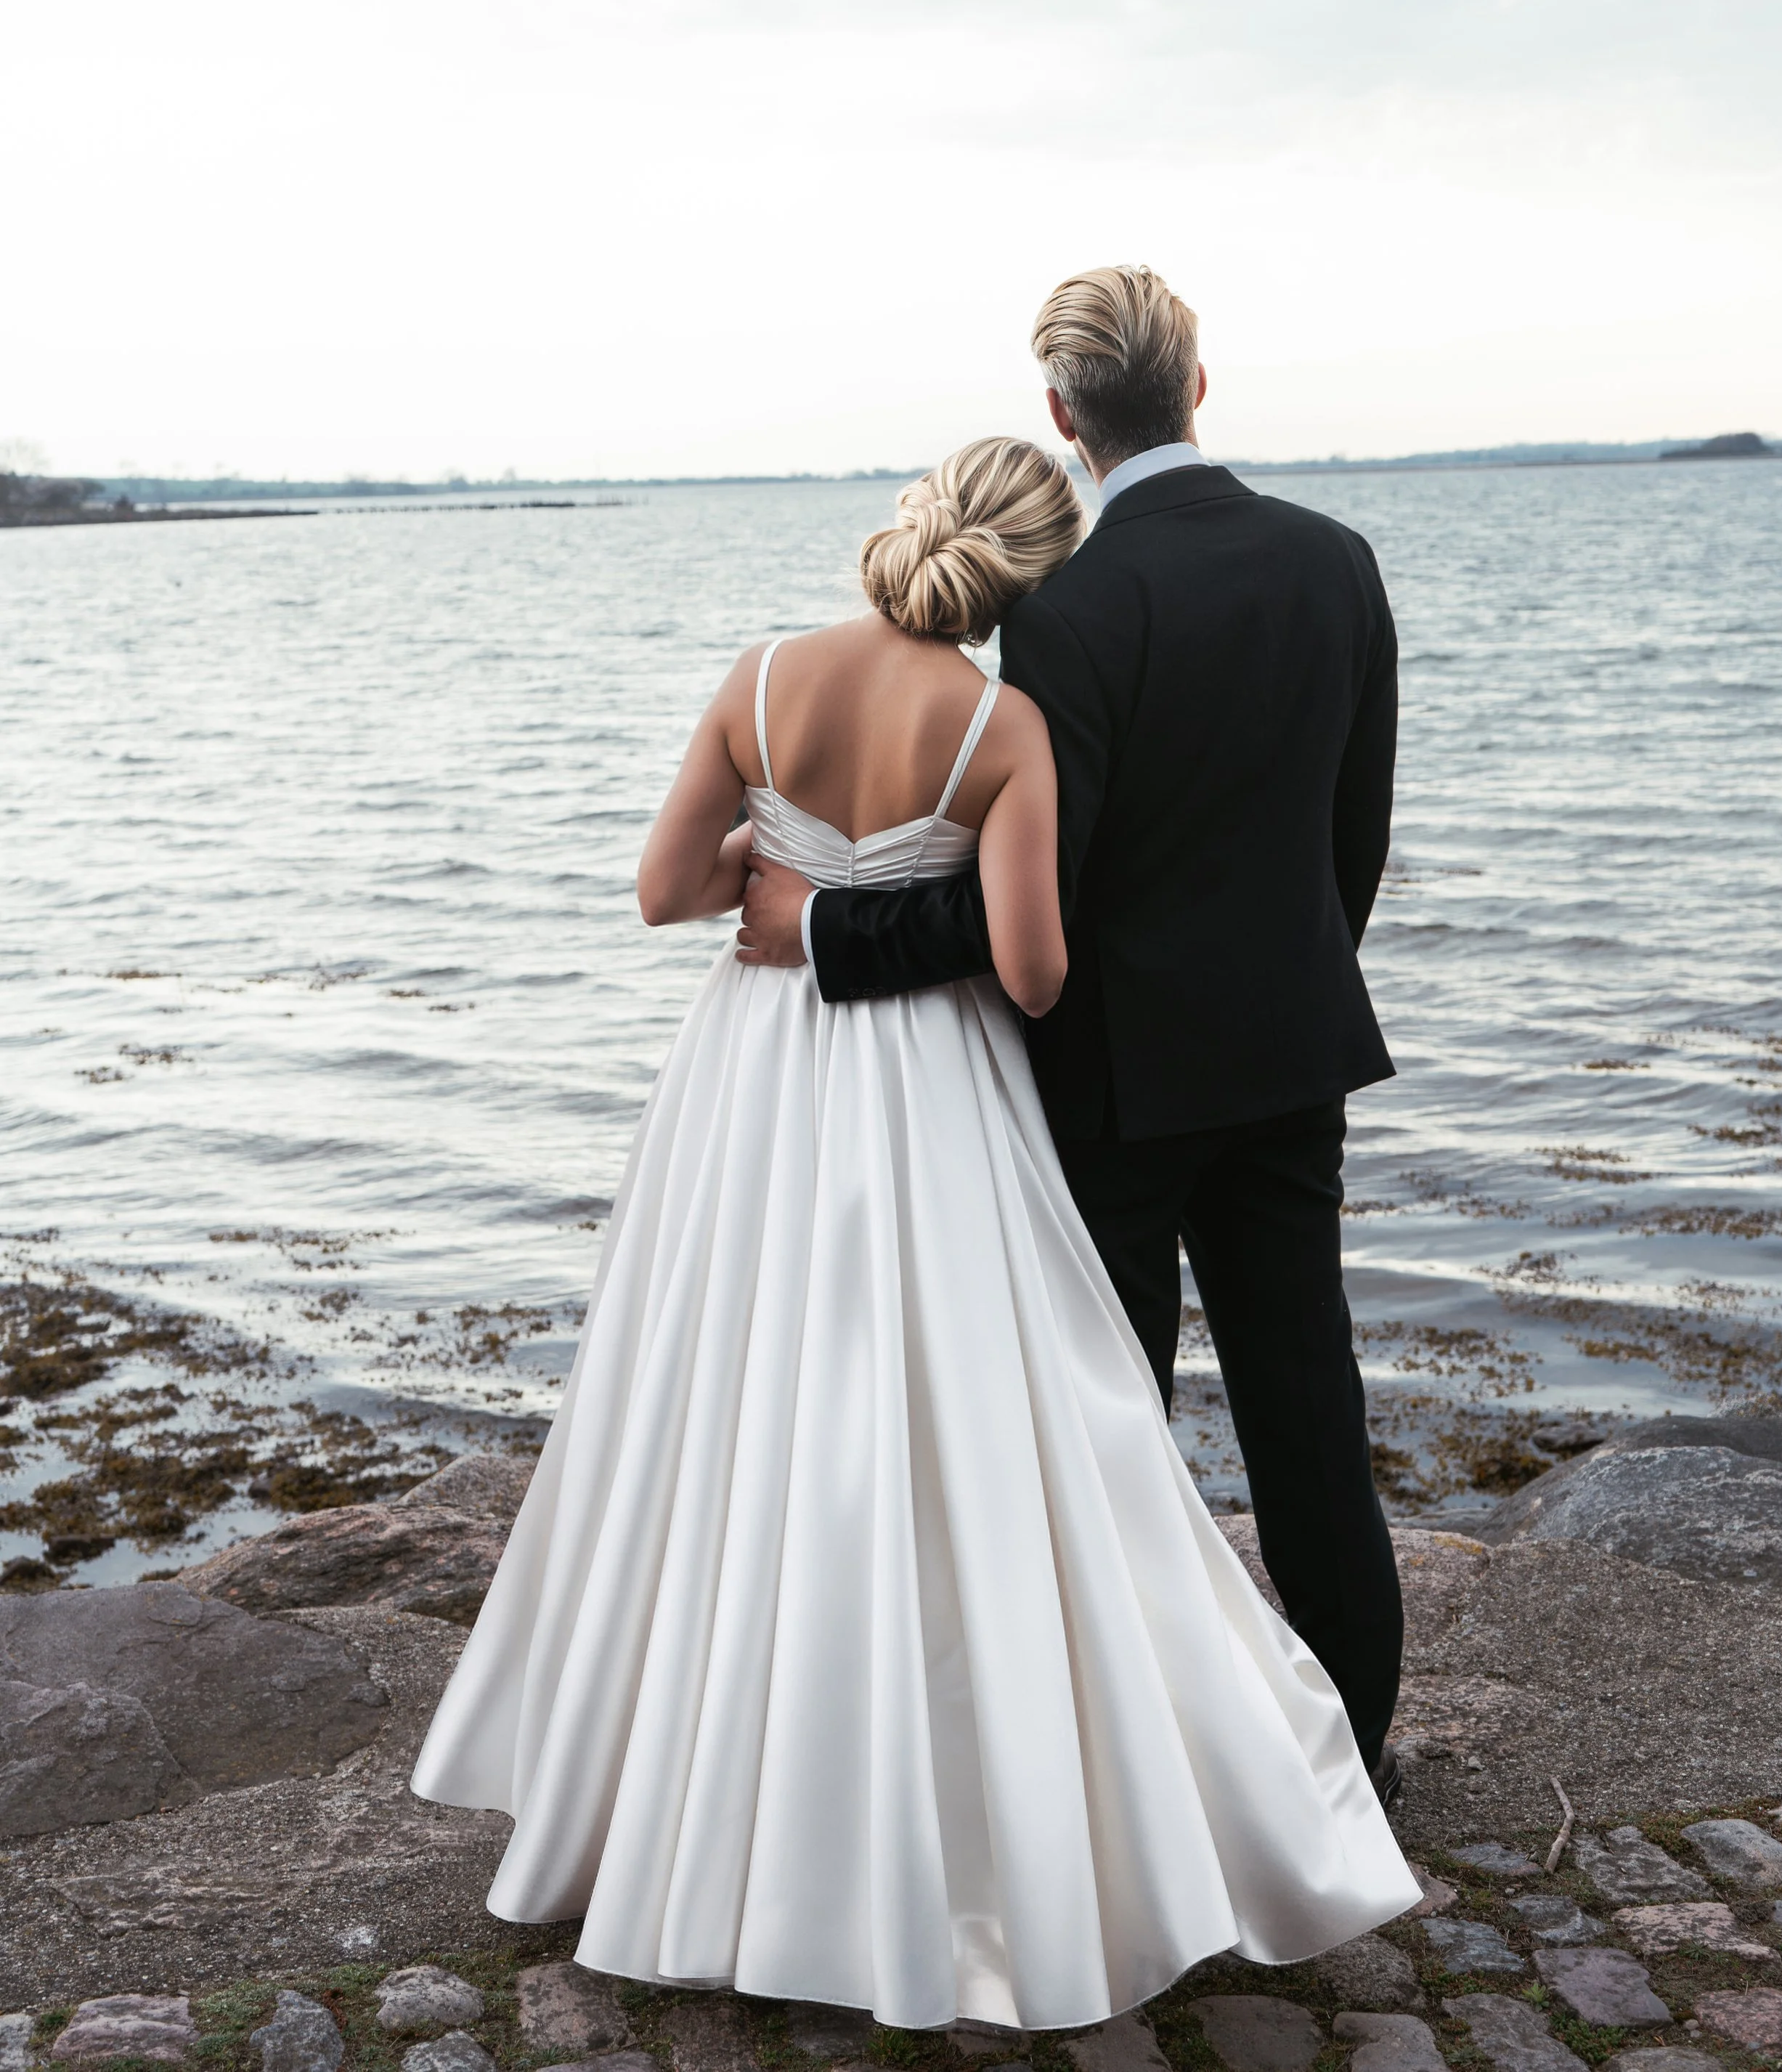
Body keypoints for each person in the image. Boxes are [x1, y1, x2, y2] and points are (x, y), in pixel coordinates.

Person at [412, 431, 1417, 2030]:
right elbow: (1030, 971)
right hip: (958, 1097)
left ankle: (689, 1797)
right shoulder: (1006, 719)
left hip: (744, 1094)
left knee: (733, 1411)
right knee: (990, 1435)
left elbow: (663, 888)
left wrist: (782, 878)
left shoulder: (755, 676)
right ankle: (1125, 1788)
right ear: (1019, 576)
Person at [736, 266, 1407, 1795]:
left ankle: (1121, 1784)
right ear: (1198, 382)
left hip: (1112, 1087)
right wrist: (1285, 994)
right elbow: (1346, 843)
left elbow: (1017, 900)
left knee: (1104, 1430)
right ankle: (1352, 1765)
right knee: (1308, 1417)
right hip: (1292, 1058)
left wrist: (823, 927)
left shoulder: (1070, 610)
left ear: (1060, 415)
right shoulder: (1336, 562)